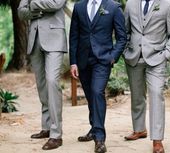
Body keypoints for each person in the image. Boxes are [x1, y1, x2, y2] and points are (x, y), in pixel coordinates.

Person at [69, 0, 126, 152]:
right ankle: (94, 128)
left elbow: (122, 37)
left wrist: (113, 56)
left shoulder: (113, 7)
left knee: (96, 92)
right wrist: (73, 62)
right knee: (90, 96)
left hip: (103, 60)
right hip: (83, 60)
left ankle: (99, 138)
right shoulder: (79, 7)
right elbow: (74, 36)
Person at [123, 0, 170, 152]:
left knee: (156, 94)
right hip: (134, 57)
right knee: (137, 95)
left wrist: (166, 54)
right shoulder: (130, 4)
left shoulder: (168, 4)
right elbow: (125, 31)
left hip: (157, 58)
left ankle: (157, 139)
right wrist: (126, 51)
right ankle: (139, 129)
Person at [18, 0, 67, 150]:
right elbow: (21, 12)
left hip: (55, 38)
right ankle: (46, 127)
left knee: (52, 81)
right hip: (34, 39)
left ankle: (56, 135)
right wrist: (38, 10)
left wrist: (32, 4)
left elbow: (56, 4)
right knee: (41, 84)